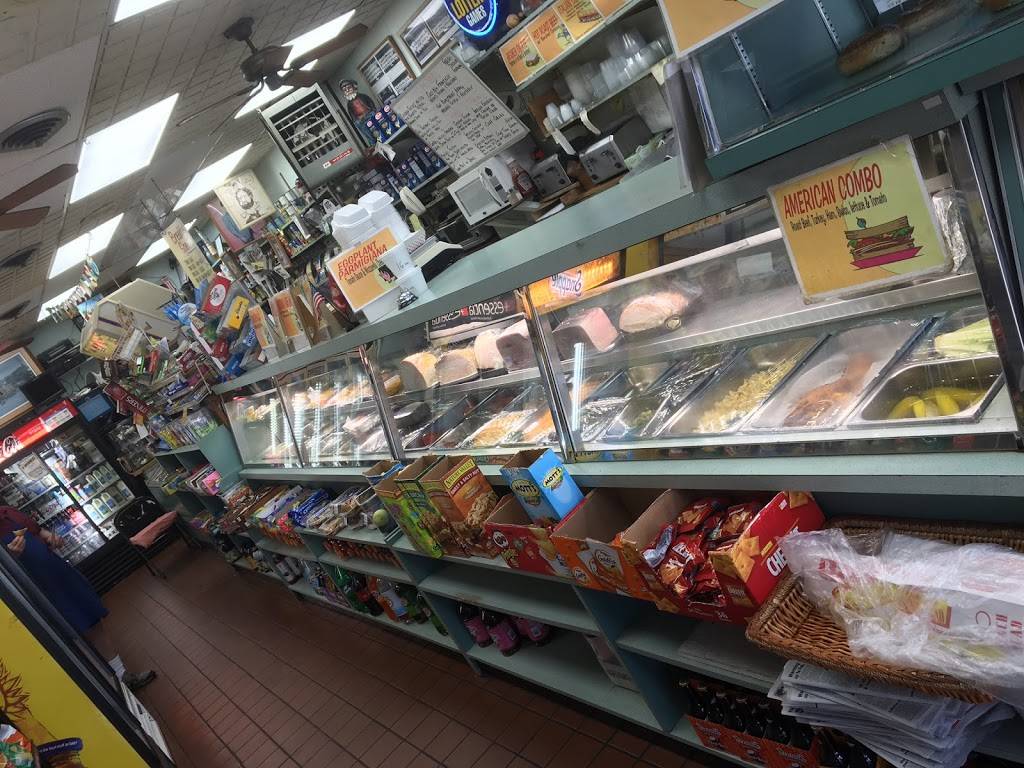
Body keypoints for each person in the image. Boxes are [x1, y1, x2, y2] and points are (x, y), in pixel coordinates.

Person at [0, 506, 155, 691]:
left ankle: (122, 676)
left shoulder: (6, 511)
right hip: (36, 589)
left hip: (58, 574)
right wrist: (10, 558)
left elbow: (38, 532)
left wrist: (50, 537)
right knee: (70, 638)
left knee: (91, 621)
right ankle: (106, 688)